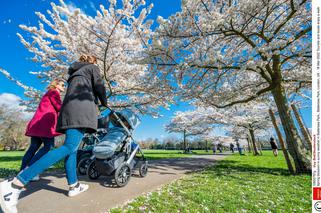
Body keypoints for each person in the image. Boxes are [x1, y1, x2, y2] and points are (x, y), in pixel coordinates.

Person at [0, 55, 108, 213]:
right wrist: (104, 102)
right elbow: (99, 86)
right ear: (92, 62)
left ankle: (74, 185)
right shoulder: (92, 68)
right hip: (81, 112)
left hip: (69, 112)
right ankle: (14, 185)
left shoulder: (74, 74)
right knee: (69, 147)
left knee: (71, 149)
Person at [20, 79, 64, 181]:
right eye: (62, 85)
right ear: (56, 85)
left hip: (37, 124)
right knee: (48, 147)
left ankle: (22, 172)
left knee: (33, 147)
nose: (63, 87)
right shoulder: (54, 92)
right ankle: (30, 170)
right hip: (45, 125)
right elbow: (59, 107)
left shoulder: (48, 93)